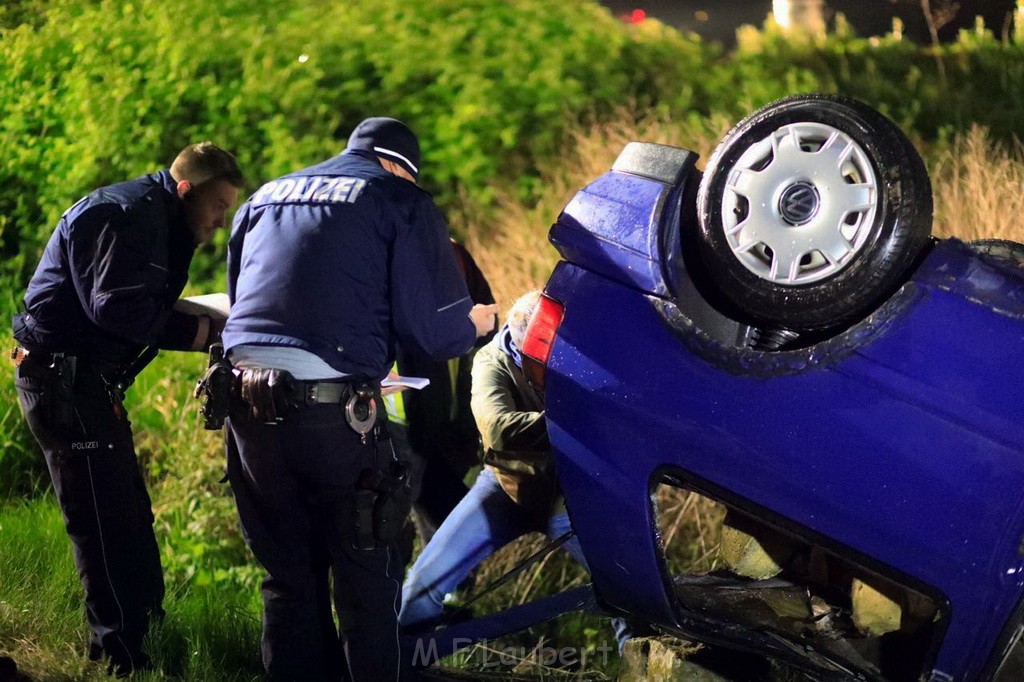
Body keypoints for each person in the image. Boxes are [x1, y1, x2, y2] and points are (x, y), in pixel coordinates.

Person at [222, 116, 498, 681]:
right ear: (402, 168)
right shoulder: (401, 201)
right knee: (366, 579)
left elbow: (241, 303)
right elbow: (435, 333)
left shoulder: (265, 196)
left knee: (288, 581)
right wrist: (483, 321)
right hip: (335, 420)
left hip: (245, 409)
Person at [11, 142, 245, 676]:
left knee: (131, 515)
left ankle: (145, 634)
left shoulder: (159, 218)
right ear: (187, 190)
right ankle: (122, 656)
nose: (220, 219)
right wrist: (205, 332)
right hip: (62, 382)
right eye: (218, 205)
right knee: (103, 521)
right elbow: (116, 307)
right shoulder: (127, 215)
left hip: (87, 385)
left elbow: (141, 301)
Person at [400, 291, 644, 657]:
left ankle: (639, 666)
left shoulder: (579, 349)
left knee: (630, 594)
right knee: (422, 585)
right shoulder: (492, 360)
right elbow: (497, 428)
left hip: (573, 496)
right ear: (518, 340)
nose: (548, 370)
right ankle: (397, 663)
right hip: (507, 486)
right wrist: (574, 421)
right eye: (538, 360)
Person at [385, 238, 496, 550]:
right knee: (453, 531)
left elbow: (487, 336)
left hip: (453, 428)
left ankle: (446, 590)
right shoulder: (384, 263)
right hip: (404, 435)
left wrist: (472, 420)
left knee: (451, 536)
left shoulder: (452, 253)